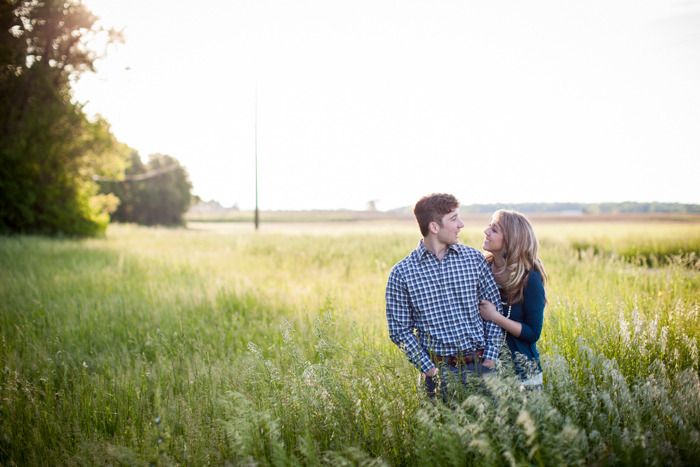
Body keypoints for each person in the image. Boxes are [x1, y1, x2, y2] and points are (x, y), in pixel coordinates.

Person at [385, 193, 504, 400]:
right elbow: (399, 330)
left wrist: (490, 359)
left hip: (481, 366)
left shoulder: (474, 259)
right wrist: (430, 370)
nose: (461, 224)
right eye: (453, 218)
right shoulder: (402, 273)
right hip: (439, 373)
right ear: (434, 227)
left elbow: (494, 308)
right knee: (444, 432)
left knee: (490, 431)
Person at [479, 209, 547, 389]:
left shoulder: (529, 278)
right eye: (489, 227)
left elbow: (533, 332)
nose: (486, 232)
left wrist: (495, 317)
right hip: (487, 373)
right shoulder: (482, 268)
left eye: (494, 230)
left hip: (524, 373)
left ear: (510, 240)